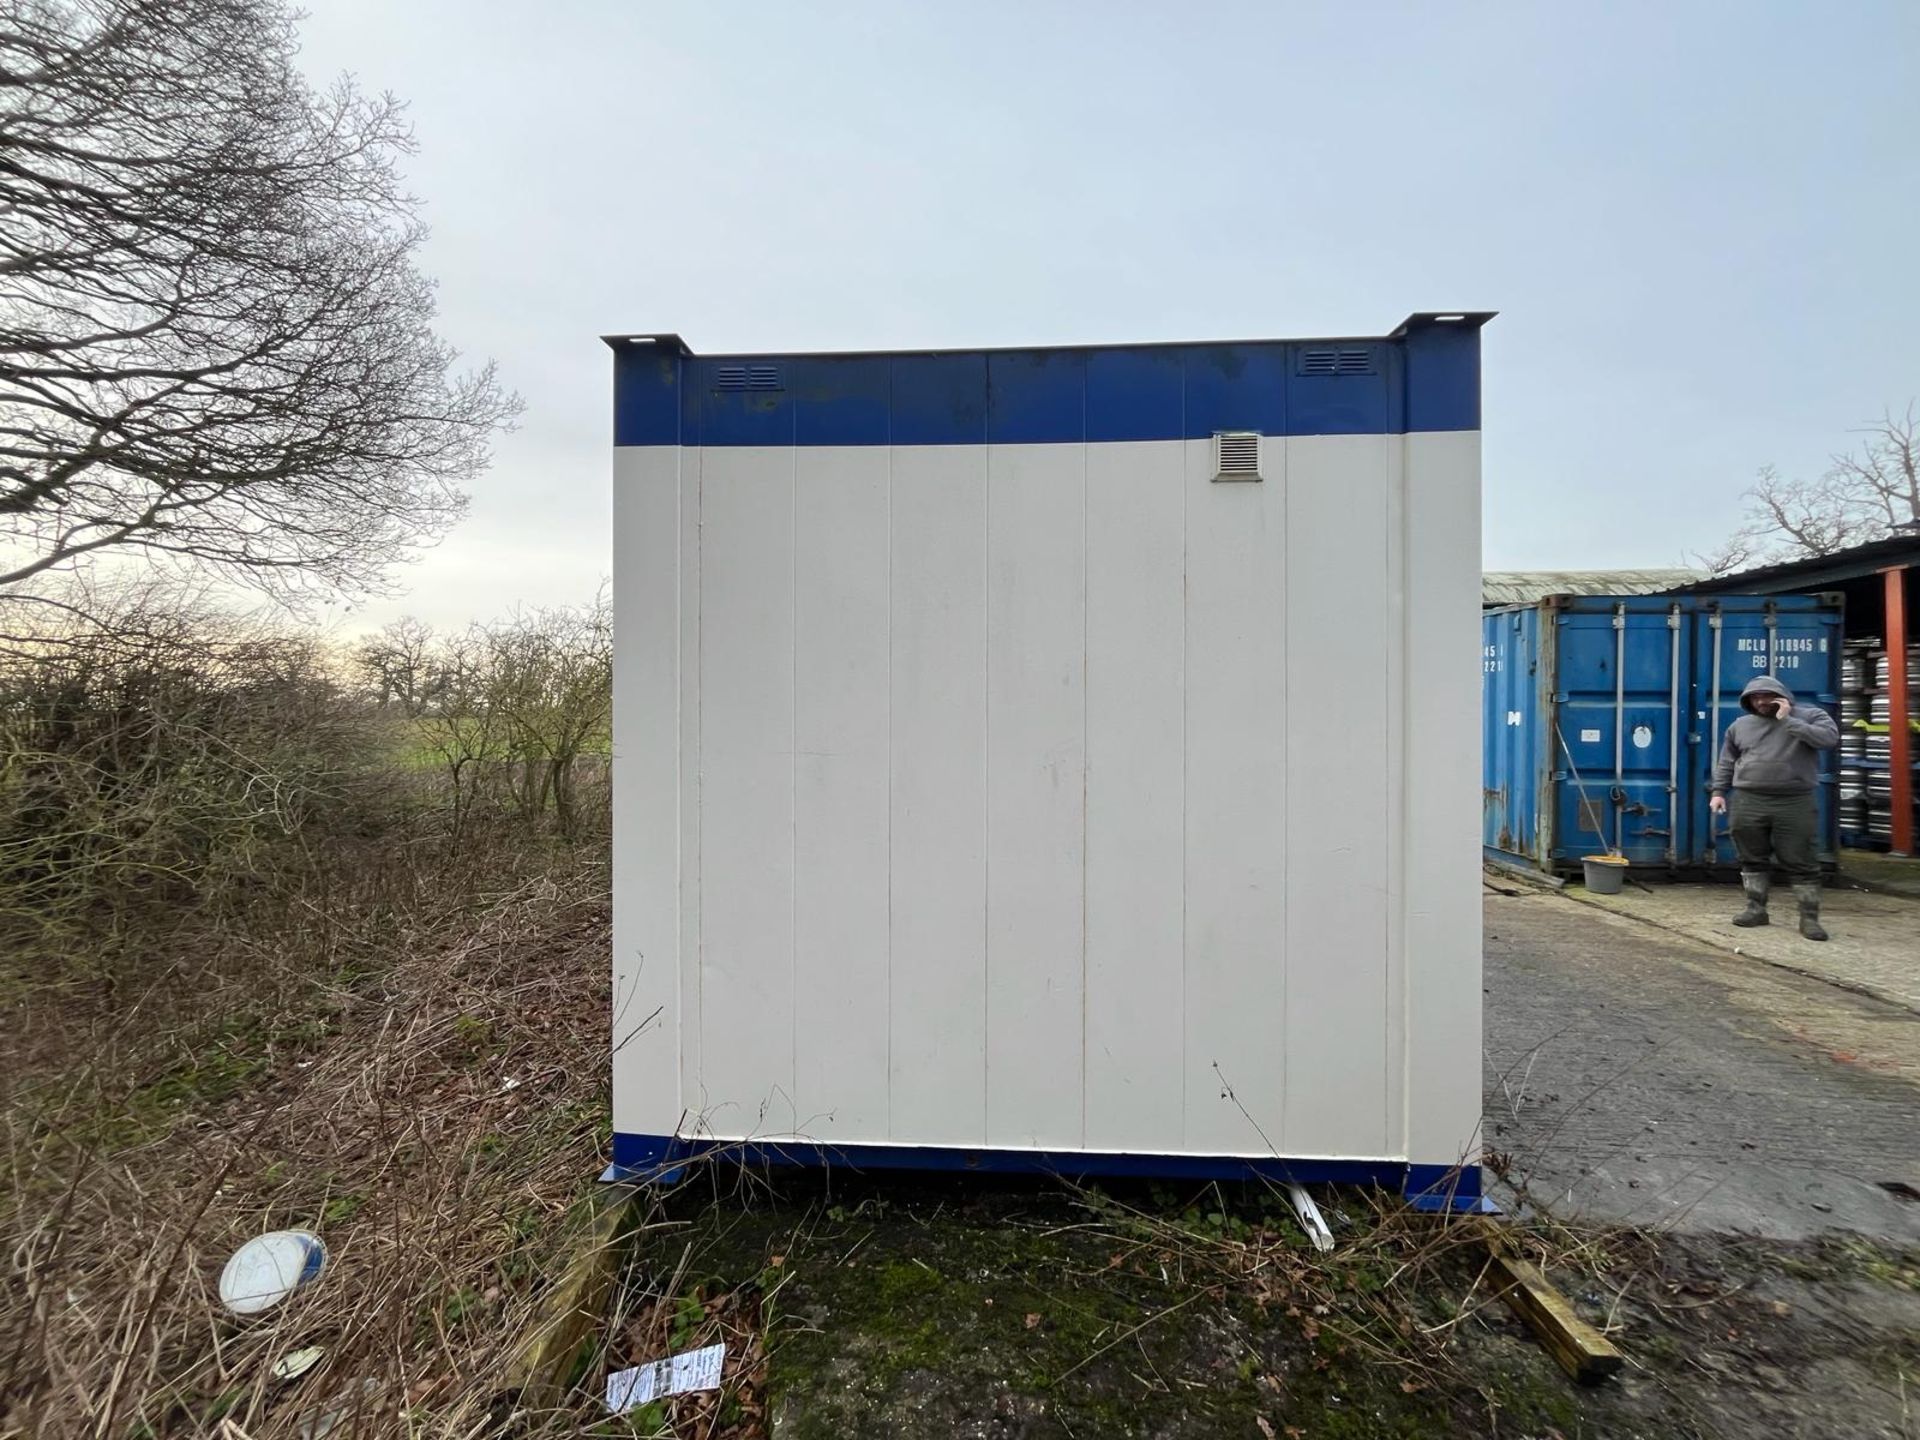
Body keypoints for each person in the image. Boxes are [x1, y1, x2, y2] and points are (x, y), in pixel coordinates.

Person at [1709, 674, 1839, 940]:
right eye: (1755, 697)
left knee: (1801, 858)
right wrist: (1719, 792)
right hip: (1748, 798)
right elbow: (1727, 761)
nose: (1761, 701)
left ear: (1782, 696)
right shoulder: (1740, 725)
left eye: (1767, 696)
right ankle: (1756, 908)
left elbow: (1828, 740)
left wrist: (1789, 720)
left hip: (1794, 799)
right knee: (1751, 856)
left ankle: (1809, 919)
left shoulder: (1812, 715)